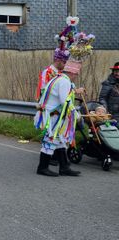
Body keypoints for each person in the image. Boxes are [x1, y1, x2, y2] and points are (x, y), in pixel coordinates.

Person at [34, 19, 93, 177]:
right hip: (53, 116)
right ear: (72, 72)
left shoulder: (61, 79)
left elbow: (66, 92)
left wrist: (75, 90)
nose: (77, 75)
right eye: (77, 73)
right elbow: (64, 101)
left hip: (54, 115)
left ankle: (64, 167)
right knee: (51, 140)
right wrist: (76, 113)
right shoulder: (64, 81)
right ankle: (42, 167)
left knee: (60, 141)